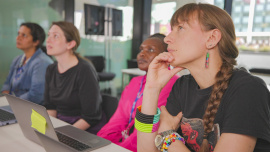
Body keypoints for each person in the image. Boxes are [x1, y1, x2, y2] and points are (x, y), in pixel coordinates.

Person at [136, 3, 270, 152]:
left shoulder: (248, 90)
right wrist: (151, 89)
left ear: (212, 38)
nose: (167, 38)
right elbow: (145, 150)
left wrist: (168, 137)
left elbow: (163, 138)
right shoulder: (182, 86)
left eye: (180, 28)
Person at [97, 33, 179, 151]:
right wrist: (101, 143)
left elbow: (146, 132)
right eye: (141, 49)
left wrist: (116, 149)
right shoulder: (135, 82)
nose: (142, 54)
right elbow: (118, 119)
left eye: (150, 50)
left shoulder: (171, 84)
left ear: (166, 55)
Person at [43, 21, 105, 134]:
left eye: (55, 36)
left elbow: (91, 117)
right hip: (61, 124)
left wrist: (63, 134)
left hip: (83, 128)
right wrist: (49, 130)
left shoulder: (84, 70)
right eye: (49, 35)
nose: (48, 40)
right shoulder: (51, 69)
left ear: (70, 44)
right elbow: (50, 107)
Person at [1, 22, 53, 104]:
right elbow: (7, 82)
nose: (18, 38)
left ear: (36, 42)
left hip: (29, 108)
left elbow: (36, 95)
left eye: (24, 35)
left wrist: (11, 101)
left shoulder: (42, 63)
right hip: (13, 103)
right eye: (18, 34)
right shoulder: (17, 59)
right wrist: (5, 94)